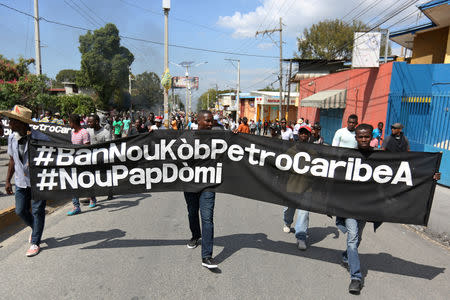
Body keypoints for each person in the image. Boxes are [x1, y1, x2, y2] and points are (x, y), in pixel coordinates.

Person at [1, 105, 46, 257]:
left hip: (38, 181)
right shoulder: (12, 138)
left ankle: (35, 242)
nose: (9, 124)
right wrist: (8, 180)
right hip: (21, 181)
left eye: (11, 121)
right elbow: (12, 160)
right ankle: (35, 229)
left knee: (38, 211)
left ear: (21, 122)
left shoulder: (40, 137)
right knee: (20, 210)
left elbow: (51, 157)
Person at [184, 110, 218, 269]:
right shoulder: (186, 137)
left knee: (207, 218)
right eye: (208, 121)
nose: (211, 124)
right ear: (198, 121)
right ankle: (195, 235)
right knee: (192, 212)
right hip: (190, 184)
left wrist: (237, 135)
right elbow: (169, 150)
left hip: (208, 185)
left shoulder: (219, 137)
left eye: (212, 121)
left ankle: (207, 256)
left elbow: (235, 146)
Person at [283, 126, 312, 250]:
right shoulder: (291, 150)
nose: (304, 136)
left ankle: (301, 237)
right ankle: (287, 222)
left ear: (309, 136)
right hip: (292, 186)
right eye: (302, 133)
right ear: (298, 135)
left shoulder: (314, 152)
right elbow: (283, 166)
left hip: (307, 188)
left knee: (304, 213)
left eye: (306, 134)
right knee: (289, 209)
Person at [67, 114, 90, 216]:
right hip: (74, 161)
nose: (68, 124)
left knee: (85, 182)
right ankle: (76, 206)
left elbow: (87, 147)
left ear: (73, 122)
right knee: (73, 183)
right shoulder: (72, 133)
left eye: (69, 122)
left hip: (83, 162)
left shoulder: (84, 132)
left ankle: (92, 198)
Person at [87, 114, 111, 207]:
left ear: (96, 122)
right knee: (90, 178)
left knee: (104, 177)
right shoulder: (88, 131)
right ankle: (92, 198)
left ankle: (110, 191)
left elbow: (109, 147)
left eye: (90, 122)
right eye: (88, 121)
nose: (88, 123)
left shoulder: (106, 132)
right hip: (91, 159)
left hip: (102, 160)